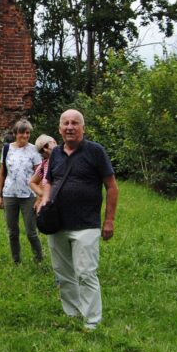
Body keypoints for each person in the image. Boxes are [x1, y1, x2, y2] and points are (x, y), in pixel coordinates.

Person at [41, 109, 118, 331]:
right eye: (65, 123)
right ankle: (72, 312)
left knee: (85, 273)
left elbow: (112, 187)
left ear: (83, 128)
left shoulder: (95, 152)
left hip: (86, 223)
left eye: (75, 123)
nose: (70, 127)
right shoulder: (55, 153)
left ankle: (92, 319)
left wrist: (109, 220)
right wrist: (45, 200)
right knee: (63, 273)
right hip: (57, 224)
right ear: (59, 128)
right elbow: (48, 181)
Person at [0, 118, 44, 264]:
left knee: (31, 232)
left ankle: (39, 259)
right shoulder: (6, 149)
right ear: (15, 133)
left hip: (29, 196)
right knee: (12, 232)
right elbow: (2, 173)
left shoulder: (34, 150)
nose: (25, 136)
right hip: (10, 194)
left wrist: (40, 197)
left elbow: (40, 174)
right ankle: (16, 260)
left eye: (28, 133)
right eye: (22, 133)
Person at [29, 134, 57, 212]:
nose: (45, 150)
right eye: (41, 150)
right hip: (50, 207)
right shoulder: (43, 165)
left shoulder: (66, 158)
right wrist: (42, 195)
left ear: (54, 142)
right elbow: (32, 182)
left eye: (46, 146)